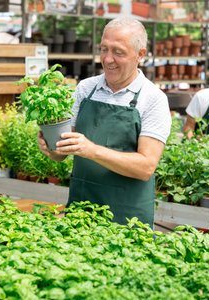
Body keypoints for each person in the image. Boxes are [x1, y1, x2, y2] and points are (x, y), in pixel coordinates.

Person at [37, 17, 172, 227]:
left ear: (140, 55)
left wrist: (91, 150)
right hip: (81, 211)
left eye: (118, 52)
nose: (108, 59)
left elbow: (146, 167)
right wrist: (51, 148)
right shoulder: (85, 89)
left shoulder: (153, 98)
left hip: (128, 218)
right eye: (104, 49)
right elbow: (61, 154)